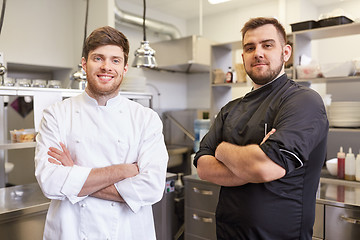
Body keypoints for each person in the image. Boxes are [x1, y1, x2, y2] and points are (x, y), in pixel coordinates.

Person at [194, 17, 328, 239]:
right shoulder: (230, 109)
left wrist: (222, 150)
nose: (258, 53)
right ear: (243, 57)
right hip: (228, 232)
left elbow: (265, 168)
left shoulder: (303, 101)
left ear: (286, 53)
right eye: (249, 47)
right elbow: (203, 168)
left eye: (267, 45)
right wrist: (251, 163)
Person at [34, 26, 168, 240]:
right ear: (84, 63)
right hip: (71, 232)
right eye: (98, 58)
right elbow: (50, 182)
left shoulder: (146, 119)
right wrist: (123, 171)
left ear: (125, 68)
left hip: (127, 233)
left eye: (115, 60)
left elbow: (151, 189)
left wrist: (73, 174)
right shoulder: (56, 114)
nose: (107, 67)